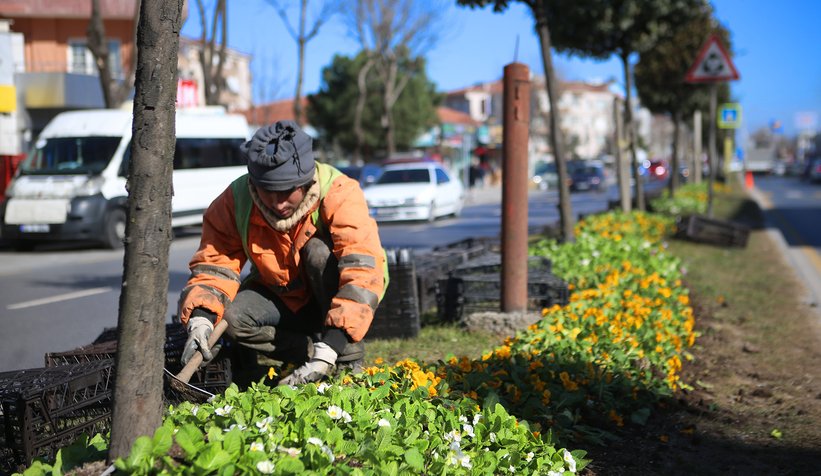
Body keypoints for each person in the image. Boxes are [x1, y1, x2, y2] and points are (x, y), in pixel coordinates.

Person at [177, 120, 388, 386]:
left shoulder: (340, 192)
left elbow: (362, 273)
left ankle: (345, 358)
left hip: (334, 293)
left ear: (306, 180)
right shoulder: (235, 200)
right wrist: (201, 319)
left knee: (318, 254)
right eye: (268, 191)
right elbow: (214, 266)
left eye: (288, 191)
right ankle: (307, 352)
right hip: (283, 296)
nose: (278, 203)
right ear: (254, 183)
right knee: (230, 319)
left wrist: (333, 344)